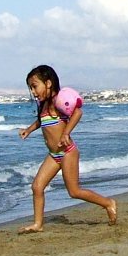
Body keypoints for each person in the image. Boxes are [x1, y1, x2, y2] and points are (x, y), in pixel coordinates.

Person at [17, 64, 117, 234]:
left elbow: (78, 113)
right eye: (30, 88)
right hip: (54, 154)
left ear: (48, 83)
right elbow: (41, 121)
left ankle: (108, 203)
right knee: (37, 187)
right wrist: (28, 130)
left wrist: (66, 133)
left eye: (34, 86)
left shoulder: (58, 102)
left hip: (67, 152)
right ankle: (38, 224)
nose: (33, 92)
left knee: (74, 191)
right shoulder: (44, 105)